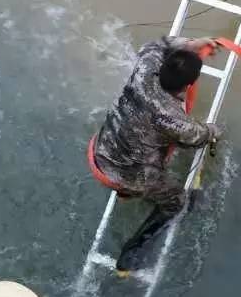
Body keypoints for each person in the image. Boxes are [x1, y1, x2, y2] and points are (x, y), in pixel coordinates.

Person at [90, 35, 222, 271]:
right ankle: (134, 248)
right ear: (188, 85)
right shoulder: (173, 118)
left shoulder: (145, 68)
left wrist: (191, 45)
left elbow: (156, 44)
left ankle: (127, 191)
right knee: (177, 201)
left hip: (100, 152)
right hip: (128, 176)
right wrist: (216, 131)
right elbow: (200, 136)